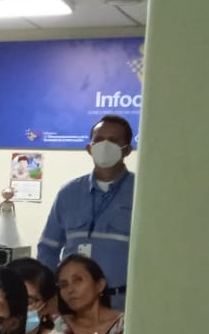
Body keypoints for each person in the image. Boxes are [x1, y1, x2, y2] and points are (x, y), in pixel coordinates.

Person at [36, 114, 136, 310]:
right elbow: (47, 249)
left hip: (123, 305)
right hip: (72, 306)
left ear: (127, 150)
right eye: (99, 140)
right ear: (89, 148)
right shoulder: (69, 193)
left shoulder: (141, 193)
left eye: (113, 141)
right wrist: (51, 293)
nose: (105, 146)